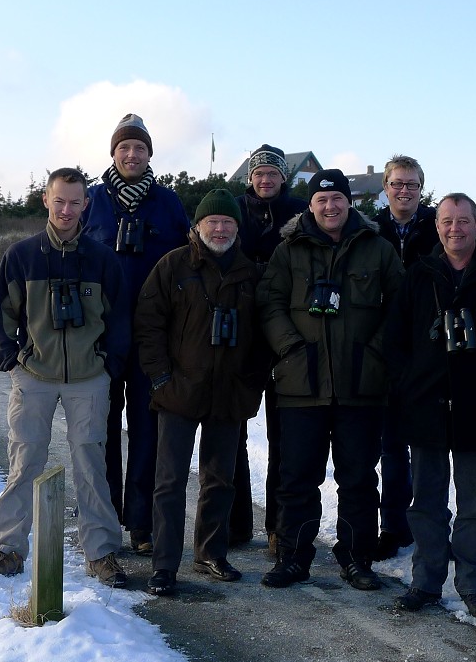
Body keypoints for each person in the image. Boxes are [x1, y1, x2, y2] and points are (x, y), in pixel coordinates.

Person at [0, 167, 130, 588]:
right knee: (24, 462)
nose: (66, 209)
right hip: (34, 377)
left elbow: (119, 319)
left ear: (86, 204)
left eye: (75, 202)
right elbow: (2, 315)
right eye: (59, 200)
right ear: (46, 199)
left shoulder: (102, 259)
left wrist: (109, 364)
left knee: (91, 465)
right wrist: (12, 359)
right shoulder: (21, 255)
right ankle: (7, 550)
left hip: (89, 378)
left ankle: (101, 553)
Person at [256, 169, 404, 591]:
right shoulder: (288, 250)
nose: (330, 206)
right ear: (310, 205)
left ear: (348, 202)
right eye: (321, 200)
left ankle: (357, 558)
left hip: (361, 384)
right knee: (297, 477)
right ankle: (293, 557)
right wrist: (291, 349)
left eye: (337, 198)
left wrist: (374, 352)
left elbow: (399, 305)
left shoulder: (377, 249)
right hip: (301, 384)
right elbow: (269, 304)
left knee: (358, 478)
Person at [386, 193, 476, 620]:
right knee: (426, 503)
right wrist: (409, 384)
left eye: (463, 221)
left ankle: (471, 583)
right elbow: (394, 340)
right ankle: (426, 581)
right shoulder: (418, 276)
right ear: (437, 226)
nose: (455, 228)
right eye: (447, 221)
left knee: (475, 506)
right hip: (426, 407)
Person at [135, 189, 269, 596]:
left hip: (229, 392)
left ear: (237, 228)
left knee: (220, 479)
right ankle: (164, 565)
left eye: (228, 222)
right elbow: (148, 324)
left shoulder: (251, 273)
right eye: (213, 221)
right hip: (178, 391)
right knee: (169, 481)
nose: (220, 229)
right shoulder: (173, 265)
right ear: (198, 226)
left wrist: (252, 381)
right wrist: (161, 378)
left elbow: (264, 335)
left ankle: (210, 553)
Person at [81, 113, 190, 556]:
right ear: (113, 153)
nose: (132, 155)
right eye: (124, 147)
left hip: (152, 337)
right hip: (101, 336)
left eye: (139, 148)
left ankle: (142, 523)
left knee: (148, 430)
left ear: (149, 154)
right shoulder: (91, 200)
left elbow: (187, 264)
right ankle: (105, 516)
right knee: (101, 429)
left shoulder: (168, 203)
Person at [232, 144, 308, 556]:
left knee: (283, 436)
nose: (265, 180)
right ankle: (236, 522)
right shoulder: (235, 210)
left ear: (283, 177)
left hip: (285, 332)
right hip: (241, 331)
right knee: (233, 431)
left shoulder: (299, 212)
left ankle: (279, 526)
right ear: (251, 178)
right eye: (259, 173)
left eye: (272, 173)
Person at [371, 154, 440, 561]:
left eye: (412, 184)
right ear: (386, 187)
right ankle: (392, 526)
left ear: (421, 189)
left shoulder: (437, 227)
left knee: (429, 447)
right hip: (383, 351)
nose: (404, 190)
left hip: (427, 351)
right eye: (397, 183)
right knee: (391, 446)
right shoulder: (370, 229)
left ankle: (429, 525)